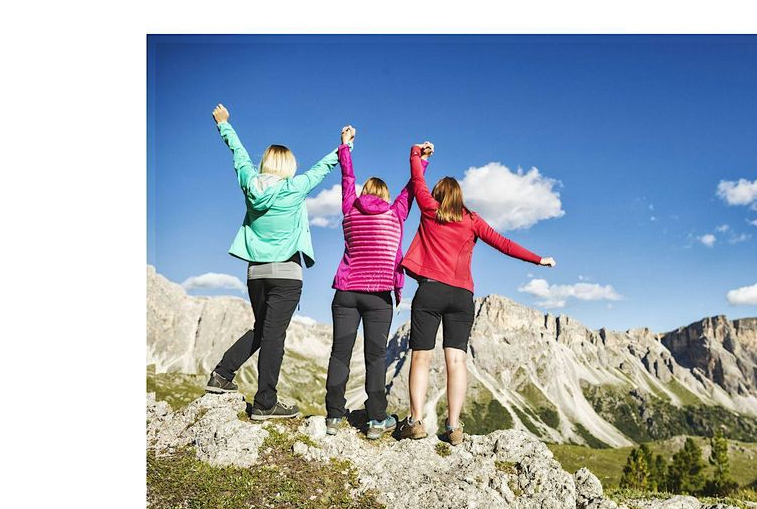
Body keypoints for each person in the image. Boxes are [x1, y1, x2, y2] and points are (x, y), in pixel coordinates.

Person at [398, 142, 555, 444]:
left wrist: (418, 152)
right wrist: (538, 259)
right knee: (457, 362)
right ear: (460, 198)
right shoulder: (472, 221)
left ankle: (415, 422)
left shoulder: (429, 210)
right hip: (461, 297)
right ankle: (453, 427)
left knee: (421, 357)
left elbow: (417, 178)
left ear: (438, 196)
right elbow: (503, 243)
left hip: (430, 291)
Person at [203, 103, 343, 421]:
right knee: (273, 336)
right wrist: (343, 147)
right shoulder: (295, 188)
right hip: (287, 275)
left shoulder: (250, 183)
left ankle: (222, 375)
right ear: (289, 166)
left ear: (266, 163)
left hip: (255, 273)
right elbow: (322, 169)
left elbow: (238, 153)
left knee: (262, 329)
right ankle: (266, 402)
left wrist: (224, 125)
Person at [323, 126, 416, 439]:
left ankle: (334, 416)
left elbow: (347, 178)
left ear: (364, 194)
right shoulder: (396, 213)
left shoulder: (351, 207)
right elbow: (413, 188)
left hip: (346, 292)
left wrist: (345, 146)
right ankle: (377, 420)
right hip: (378, 296)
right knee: (376, 357)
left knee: (340, 353)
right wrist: (419, 158)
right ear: (387, 197)